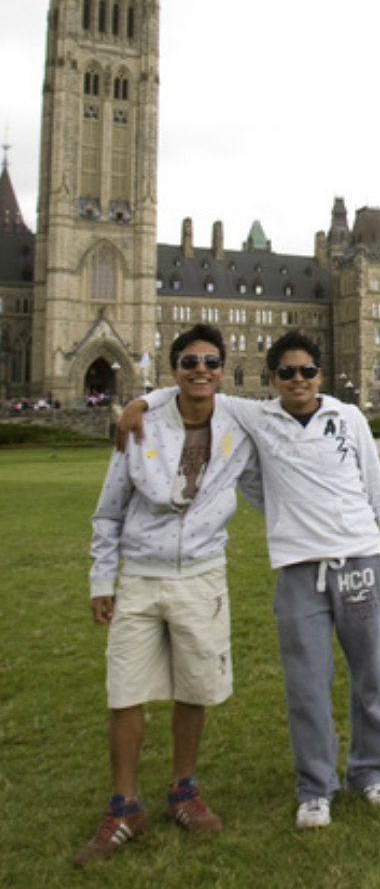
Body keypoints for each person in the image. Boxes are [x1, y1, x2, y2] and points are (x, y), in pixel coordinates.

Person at [124, 331, 380, 830]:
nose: (298, 380)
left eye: (307, 371)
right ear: (271, 378)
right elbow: (197, 384)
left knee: (370, 674)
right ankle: (316, 787)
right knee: (306, 683)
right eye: (287, 372)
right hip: (298, 568)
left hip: (361, 557)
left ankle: (370, 771)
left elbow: (376, 483)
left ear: (320, 375)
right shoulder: (256, 416)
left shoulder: (350, 417)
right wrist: (141, 399)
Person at [75, 324, 259, 866]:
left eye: (209, 361)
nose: (200, 369)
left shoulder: (239, 421)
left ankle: (183, 789)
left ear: (222, 370)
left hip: (201, 574)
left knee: (193, 686)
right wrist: (100, 579)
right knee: (124, 690)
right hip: (141, 575)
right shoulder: (142, 425)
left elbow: (296, 399)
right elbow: (109, 509)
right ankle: (124, 804)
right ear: (174, 369)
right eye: (188, 362)